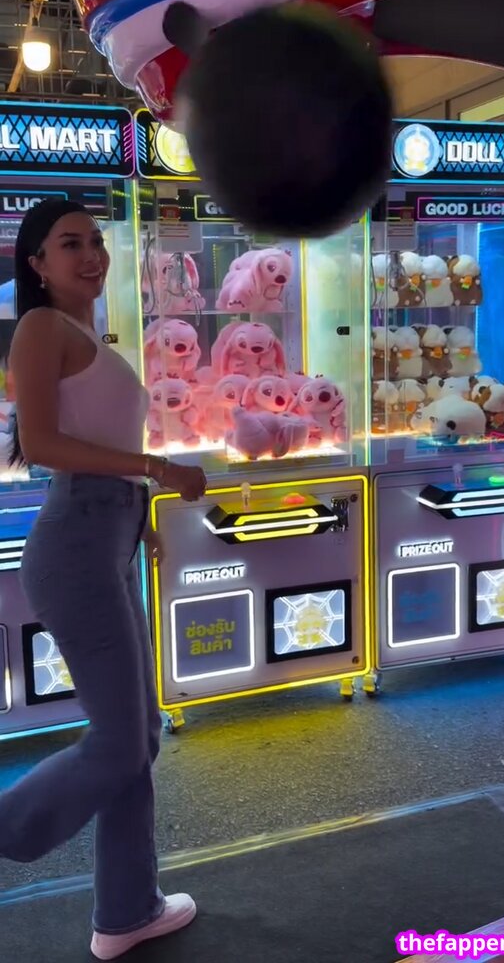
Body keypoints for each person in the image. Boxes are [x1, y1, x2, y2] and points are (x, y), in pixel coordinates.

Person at [0, 199, 207, 960]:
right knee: (120, 743)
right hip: (76, 546)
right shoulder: (40, 327)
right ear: (37, 263)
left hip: (108, 539)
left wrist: (138, 513)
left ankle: (126, 911)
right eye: (69, 244)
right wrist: (156, 470)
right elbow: (44, 443)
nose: (90, 254)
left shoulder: (87, 332)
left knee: (137, 736)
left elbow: (97, 438)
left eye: (95, 241)